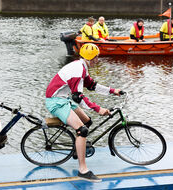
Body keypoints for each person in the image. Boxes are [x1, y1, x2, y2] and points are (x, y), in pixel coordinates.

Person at [45, 43, 121, 182]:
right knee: (82, 130)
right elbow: (77, 97)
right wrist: (98, 109)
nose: (97, 60)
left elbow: (92, 85)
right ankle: (83, 170)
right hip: (56, 102)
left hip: (63, 99)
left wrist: (112, 91)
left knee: (87, 121)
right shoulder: (78, 70)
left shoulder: (82, 66)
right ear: (91, 58)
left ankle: (76, 149)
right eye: (96, 58)